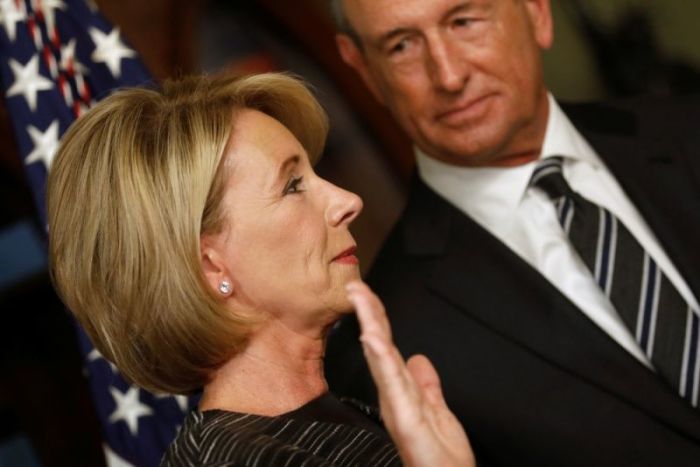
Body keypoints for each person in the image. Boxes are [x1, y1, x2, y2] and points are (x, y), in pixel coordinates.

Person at [324, 0, 700, 466]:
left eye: (464, 21)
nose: (448, 75)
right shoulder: (386, 354)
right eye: (401, 45)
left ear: (537, 13)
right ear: (363, 67)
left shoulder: (687, 130)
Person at [46, 73, 474, 466]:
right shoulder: (233, 459)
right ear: (212, 266)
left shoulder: (338, 413)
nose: (347, 201)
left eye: (313, 173)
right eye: (292, 186)